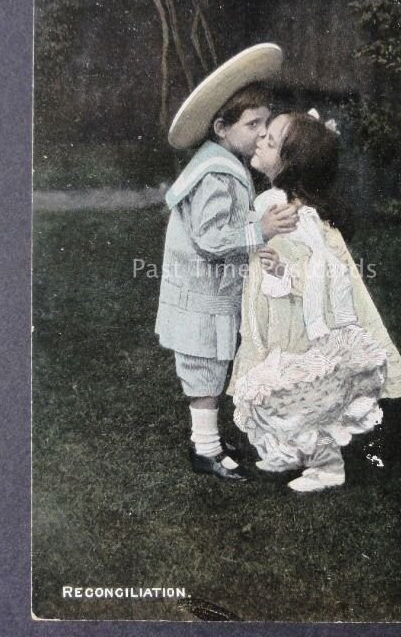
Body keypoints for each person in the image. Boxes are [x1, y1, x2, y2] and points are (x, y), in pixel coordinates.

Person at [228, 109, 401, 492]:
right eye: (263, 133)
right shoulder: (275, 203)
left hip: (299, 322)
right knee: (274, 388)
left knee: (307, 390)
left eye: (272, 139)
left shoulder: (297, 218)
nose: (261, 138)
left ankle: (327, 465)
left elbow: (321, 277)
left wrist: (282, 272)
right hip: (276, 316)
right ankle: (288, 450)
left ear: (291, 163)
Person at [155, 44, 299, 482]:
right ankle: (205, 451)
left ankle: (211, 442)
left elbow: (228, 224)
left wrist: (254, 223)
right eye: (252, 124)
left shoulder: (221, 162)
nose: (260, 133)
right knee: (204, 371)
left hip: (209, 291)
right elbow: (212, 237)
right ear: (221, 126)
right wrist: (261, 230)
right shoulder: (216, 173)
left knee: (213, 367)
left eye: (264, 123)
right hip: (200, 294)